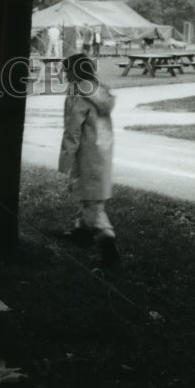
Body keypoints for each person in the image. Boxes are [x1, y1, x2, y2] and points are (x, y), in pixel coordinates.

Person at [58, 53, 120, 267]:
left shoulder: (79, 95)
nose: (65, 74)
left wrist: (64, 161)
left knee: (92, 202)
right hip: (102, 150)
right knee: (91, 195)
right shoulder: (98, 90)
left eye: (67, 70)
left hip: (87, 151)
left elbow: (72, 130)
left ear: (75, 71)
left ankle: (107, 242)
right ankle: (81, 231)